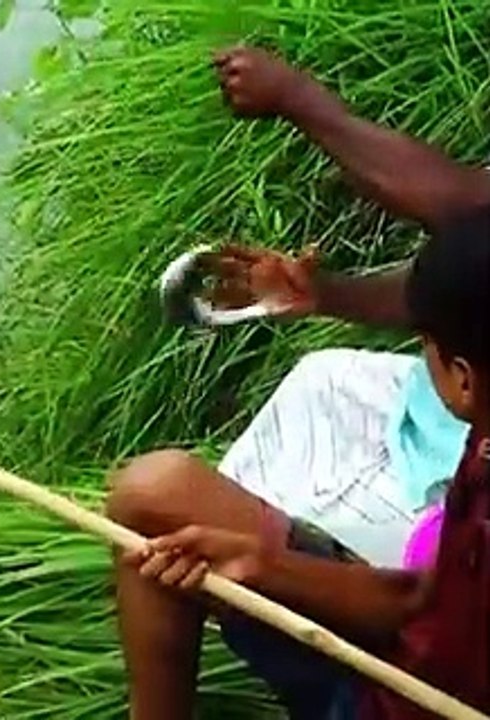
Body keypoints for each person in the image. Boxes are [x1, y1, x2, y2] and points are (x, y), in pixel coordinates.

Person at [107, 47, 490, 720]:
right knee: (154, 491)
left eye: (427, 349)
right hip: (396, 651)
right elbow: (416, 602)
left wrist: (299, 100)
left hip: (381, 700)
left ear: (462, 381)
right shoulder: (481, 455)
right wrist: (264, 567)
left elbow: (467, 209)